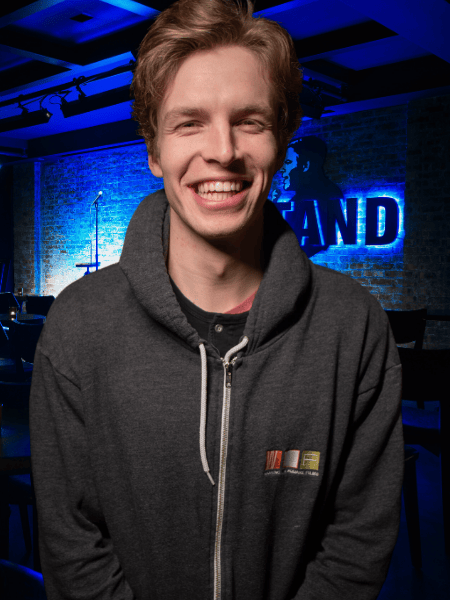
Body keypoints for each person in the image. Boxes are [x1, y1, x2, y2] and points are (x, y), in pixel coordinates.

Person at [29, 1, 403, 599]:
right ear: (154, 152)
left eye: (249, 121)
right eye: (190, 123)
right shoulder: (78, 325)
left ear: (281, 140)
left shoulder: (352, 326)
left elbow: (357, 542)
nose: (222, 150)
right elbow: (72, 545)